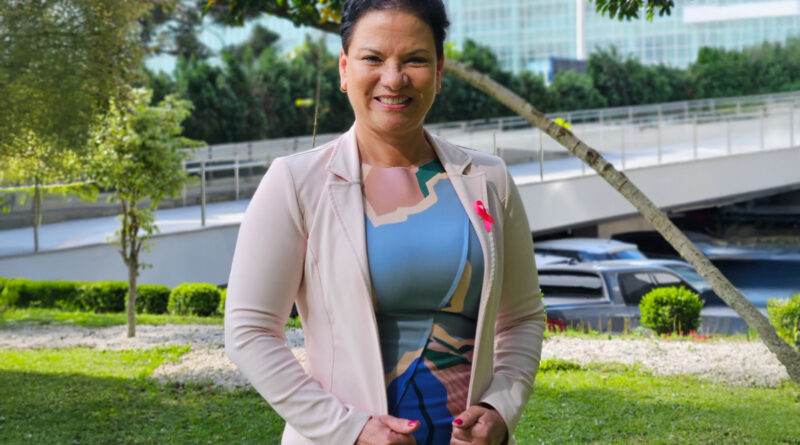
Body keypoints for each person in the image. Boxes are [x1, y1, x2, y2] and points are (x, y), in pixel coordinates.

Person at [224, 0, 546, 444]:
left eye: (415, 60)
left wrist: (500, 409)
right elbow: (250, 332)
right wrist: (350, 430)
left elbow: (522, 318)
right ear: (344, 68)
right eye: (373, 58)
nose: (393, 79)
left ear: (439, 71)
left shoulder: (490, 179)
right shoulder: (296, 183)